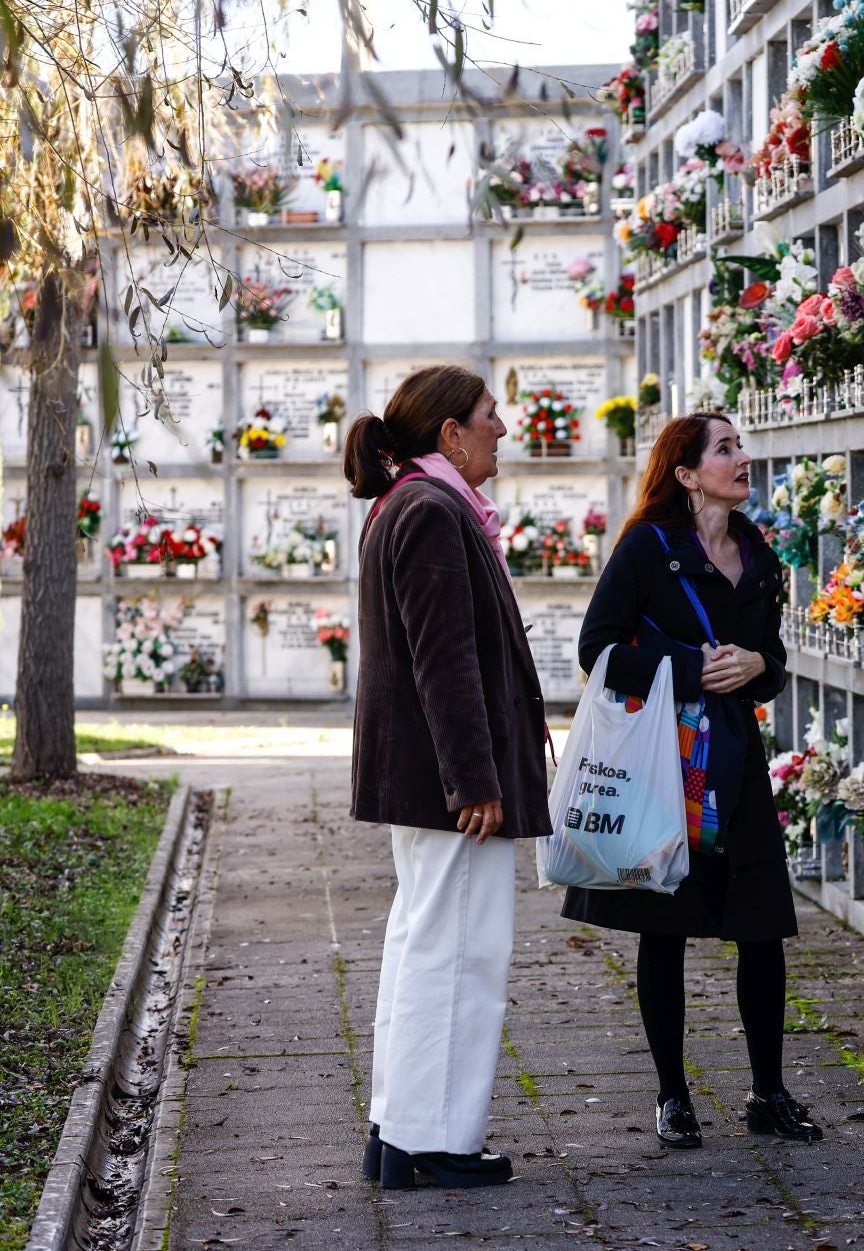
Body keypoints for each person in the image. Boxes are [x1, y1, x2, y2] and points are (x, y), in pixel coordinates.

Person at [566, 411, 821, 1147]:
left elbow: (770, 659)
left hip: (735, 762)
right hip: (665, 765)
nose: (744, 458)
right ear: (685, 473)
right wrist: (689, 669)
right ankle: (673, 1097)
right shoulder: (648, 548)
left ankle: (768, 1092)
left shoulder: (757, 552)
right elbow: (597, 649)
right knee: (664, 928)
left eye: (740, 445)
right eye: (726, 449)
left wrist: (759, 670)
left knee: (762, 927)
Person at [344, 364, 550, 1189]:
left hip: (428, 783)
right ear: (449, 433)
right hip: (451, 789)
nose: (502, 428)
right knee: (459, 955)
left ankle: (398, 1131)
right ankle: (436, 1141)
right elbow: (445, 661)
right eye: (489, 416)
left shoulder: (415, 503)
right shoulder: (432, 511)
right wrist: (476, 781)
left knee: (424, 947)